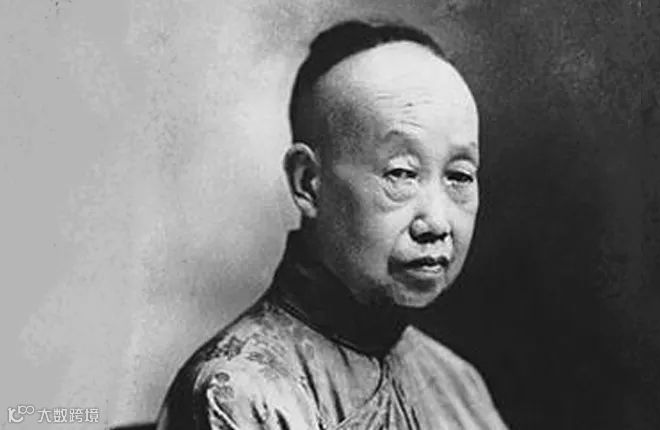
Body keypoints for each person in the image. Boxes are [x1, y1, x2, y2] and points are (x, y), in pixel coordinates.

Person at [156, 19, 507, 430]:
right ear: (308, 182)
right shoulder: (239, 395)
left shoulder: (458, 385)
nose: (437, 221)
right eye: (401, 173)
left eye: (459, 176)